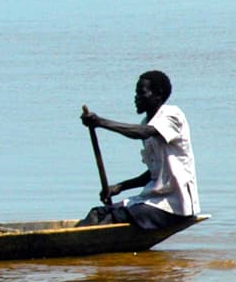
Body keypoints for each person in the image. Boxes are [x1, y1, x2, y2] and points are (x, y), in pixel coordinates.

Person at [79, 70, 199, 229]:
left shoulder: (172, 115)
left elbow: (142, 132)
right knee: (96, 214)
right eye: (136, 93)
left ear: (158, 94)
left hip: (175, 205)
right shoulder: (146, 122)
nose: (136, 97)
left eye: (141, 93)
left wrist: (101, 122)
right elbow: (154, 173)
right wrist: (119, 187)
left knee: (111, 219)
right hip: (152, 200)